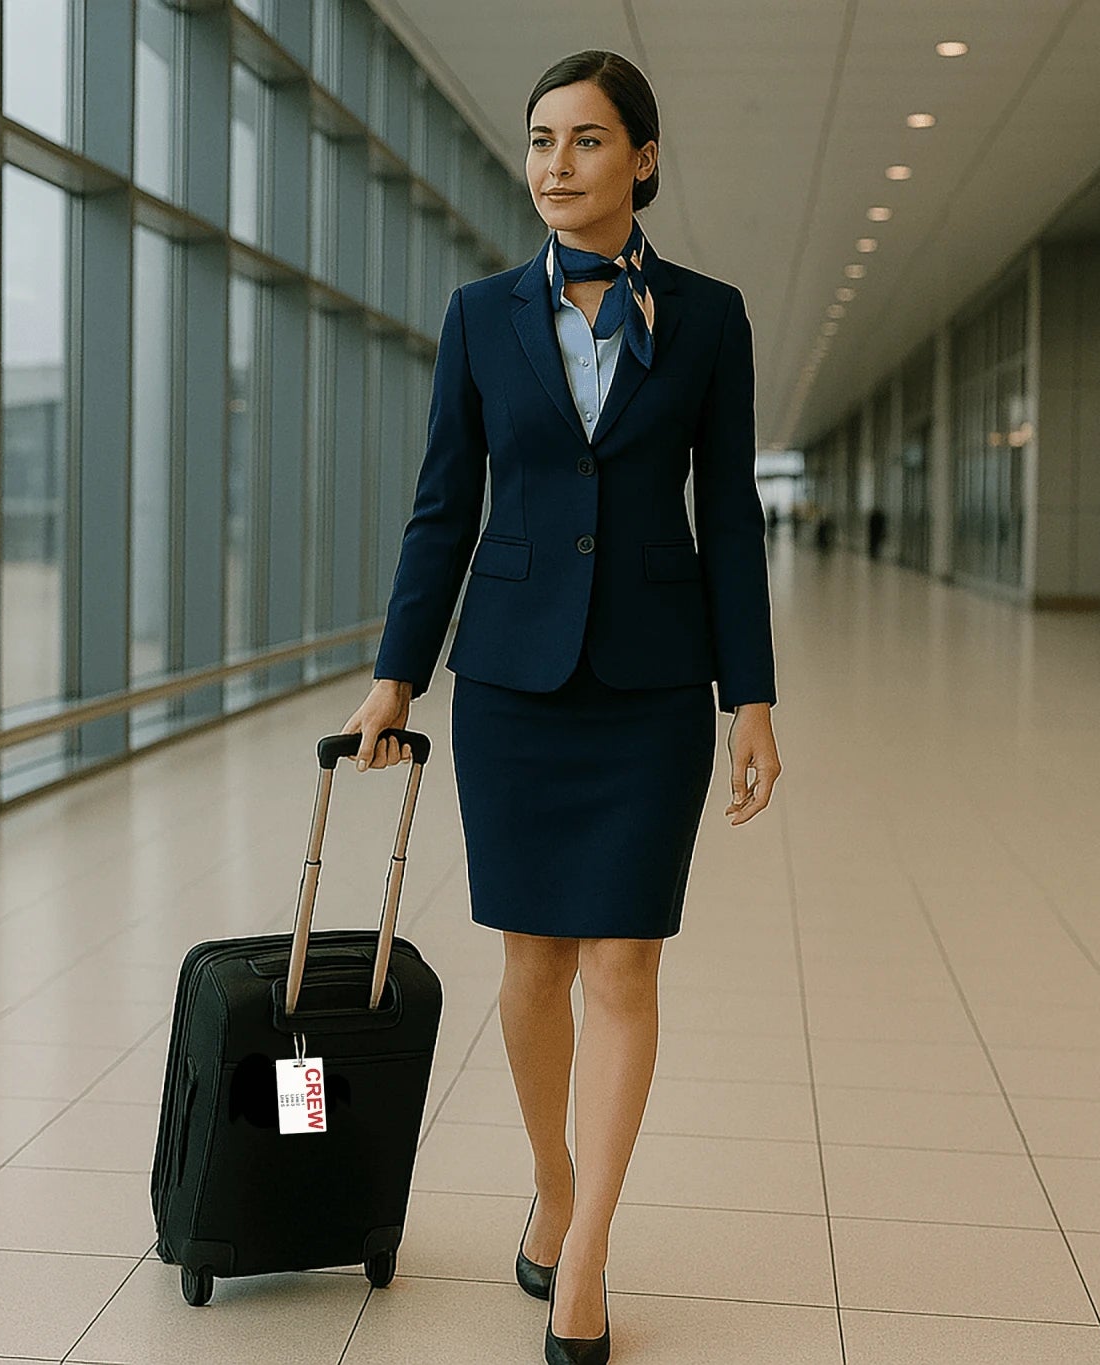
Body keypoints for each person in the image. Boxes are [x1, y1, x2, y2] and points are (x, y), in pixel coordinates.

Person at [339, 49, 781, 1365]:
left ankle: (586, 1246)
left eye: (586, 141)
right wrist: (396, 668)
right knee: (531, 965)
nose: (555, 165)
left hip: (652, 685)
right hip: (516, 683)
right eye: (540, 141)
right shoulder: (480, 316)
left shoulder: (708, 318)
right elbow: (443, 507)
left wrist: (748, 693)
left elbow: (734, 519)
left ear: (642, 159)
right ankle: (552, 1174)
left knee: (626, 961)